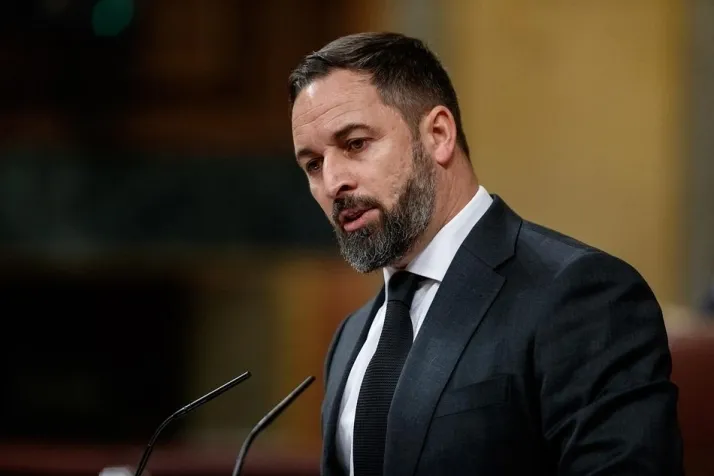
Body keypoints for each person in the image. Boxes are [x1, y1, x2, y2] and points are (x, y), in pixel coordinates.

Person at [288, 32, 684, 476]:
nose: (333, 183)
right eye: (313, 164)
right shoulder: (352, 335)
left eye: (356, 144)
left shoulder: (580, 295)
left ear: (438, 134)